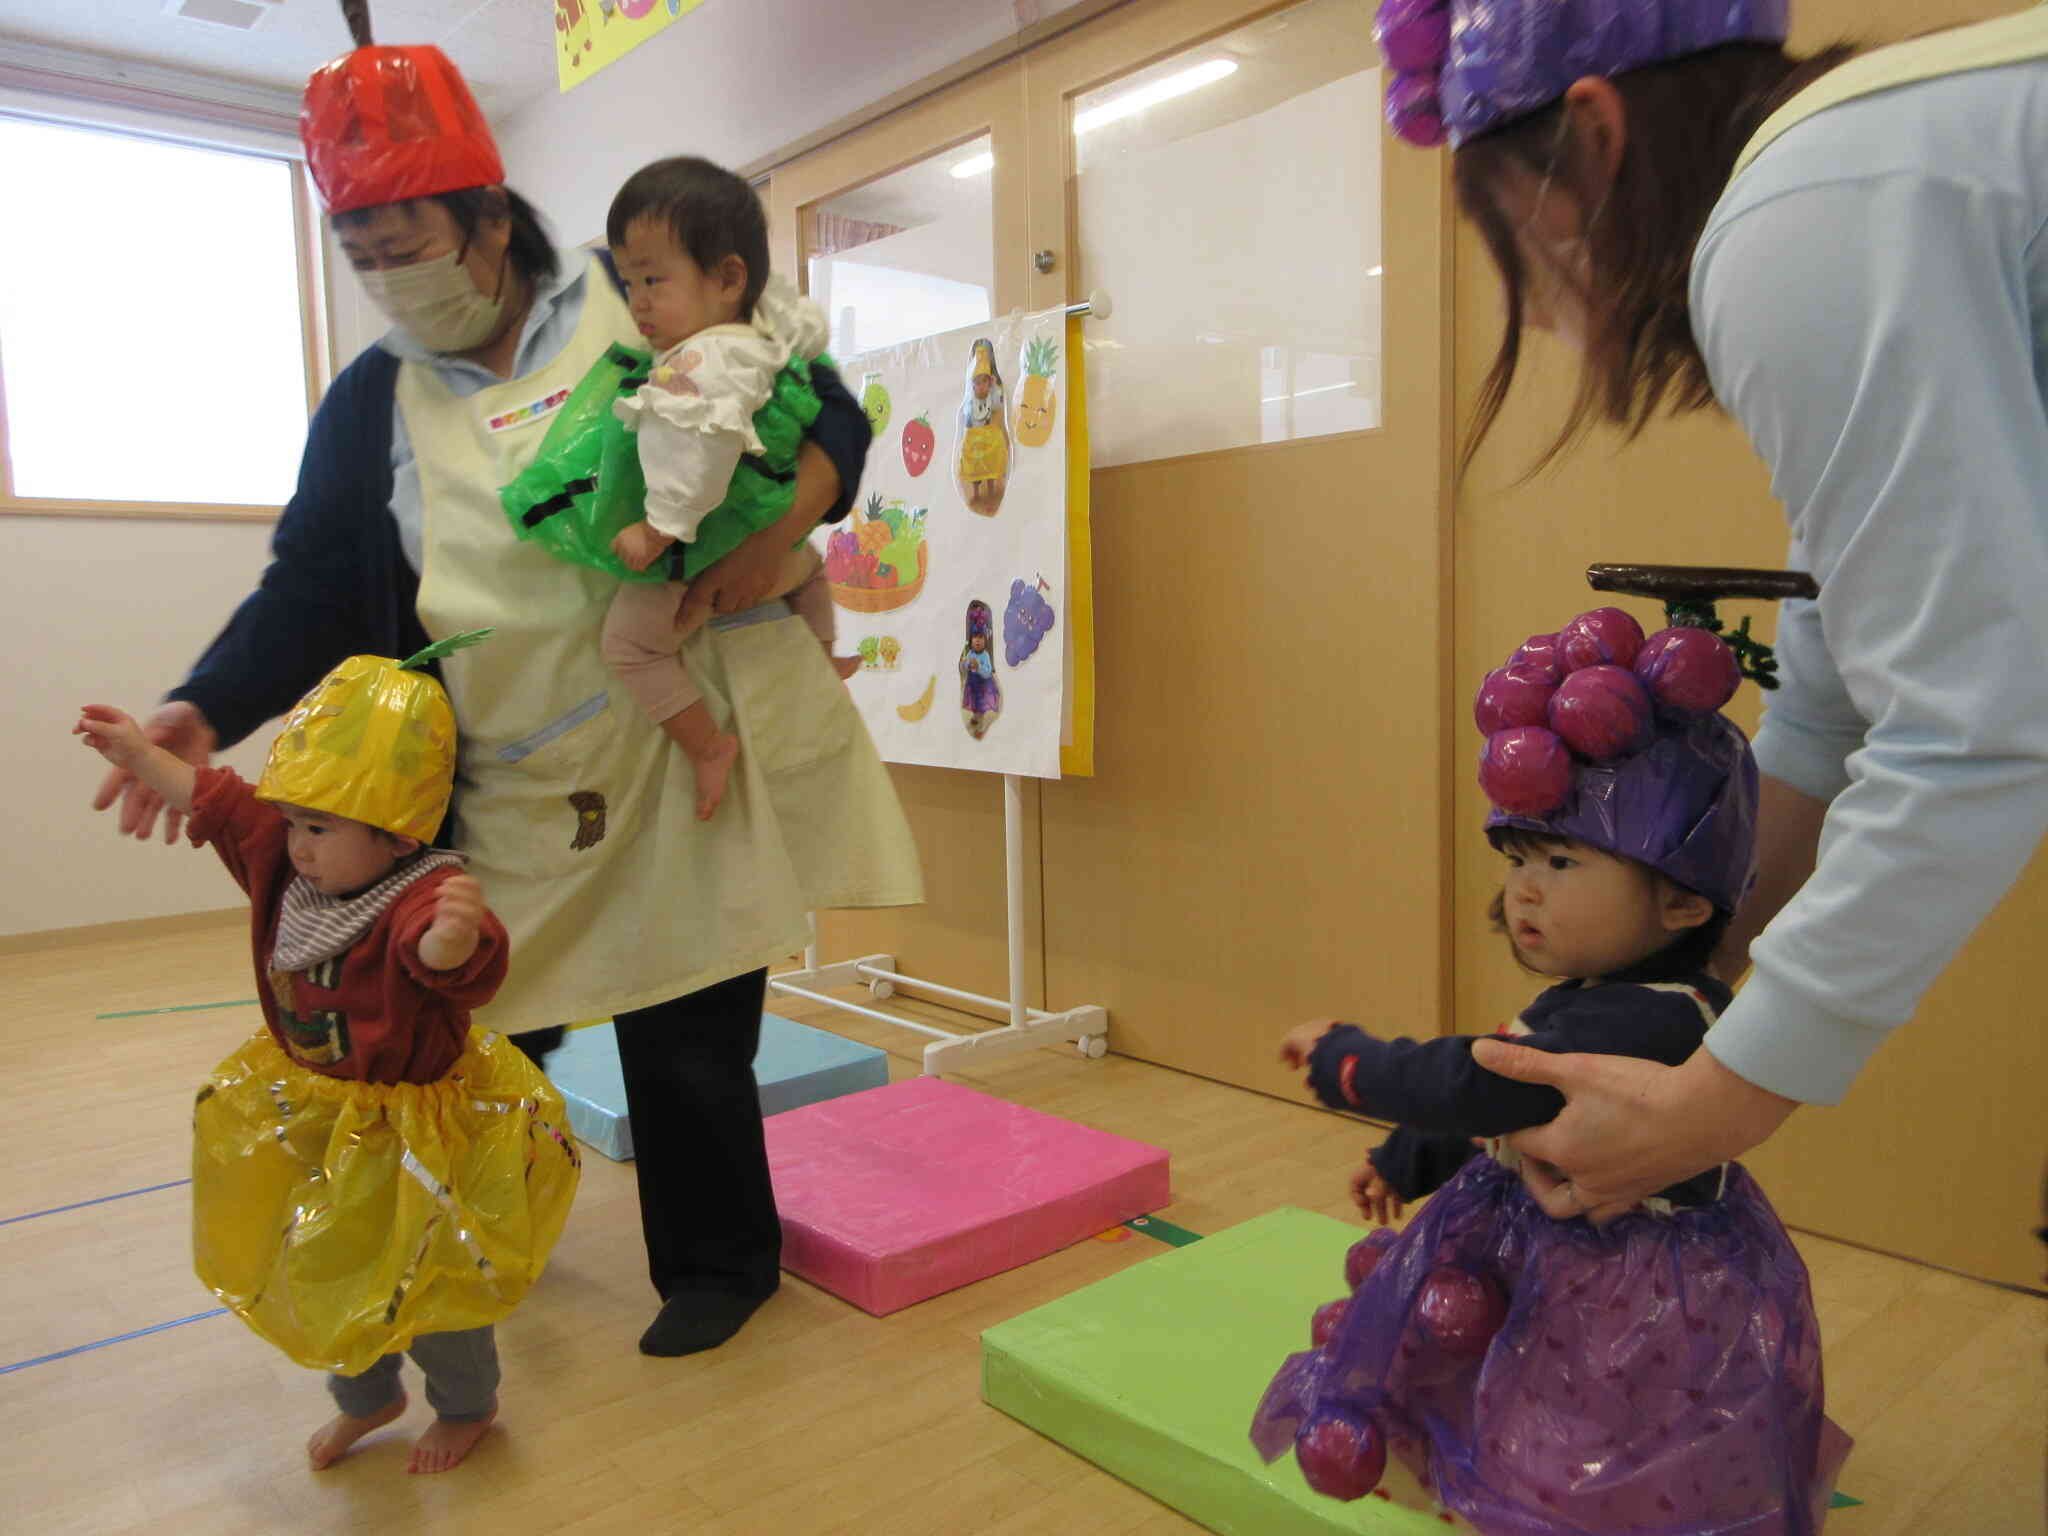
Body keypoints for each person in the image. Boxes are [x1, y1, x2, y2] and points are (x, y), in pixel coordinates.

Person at [90, 6, 923, 1358]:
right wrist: (204, 703)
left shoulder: (642, 280)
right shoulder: (372, 402)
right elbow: (308, 580)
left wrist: (777, 538)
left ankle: (718, 1267)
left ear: (486, 220)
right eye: (359, 255)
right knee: (468, 1036)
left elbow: (823, 407)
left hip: (669, 725)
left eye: (403, 245)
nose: (387, 276)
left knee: (688, 1017)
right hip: (496, 771)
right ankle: (478, 1246)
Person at [1369, 0, 2048, 1222]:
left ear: (1592, 133)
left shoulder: (1802, 210)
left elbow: (1972, 724)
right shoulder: (1885, 153)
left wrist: (1717, 1099)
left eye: (1513, 244)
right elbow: (1823, 709)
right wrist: (1676, 988)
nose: (1540, 312)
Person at [1253, 607, 1847, 1530]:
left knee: (1594, 1427)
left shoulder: (1653, 1018)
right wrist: (1410, 1158)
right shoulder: (1593, 993)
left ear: (1685, 905)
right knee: (1505, 1390)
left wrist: (1352, 1063)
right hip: (1541, 1237)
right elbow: (1503, 1105)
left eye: (1564, 861)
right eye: (1521, 858)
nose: (1525, 888)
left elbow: (1480, 1082)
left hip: (1622, 1279)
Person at [73, 636, 580, 1475]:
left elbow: (460, 962)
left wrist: (454, 942)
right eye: (294, 822)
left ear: (395, 837)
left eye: (318, 827)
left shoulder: (422, 893)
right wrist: (136, 751)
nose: (295, 843)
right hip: (317, 1111)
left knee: (432, 1275)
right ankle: (368, 1395)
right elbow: (217, 797)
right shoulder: (285, 856)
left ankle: (466, 1404)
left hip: (414, 1135)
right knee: (328, 1259)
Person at [507, 155, 855, 823]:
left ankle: (705, 747)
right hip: (768, 529)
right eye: (631, 280)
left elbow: (695, 458)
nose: (636, 300)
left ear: (727, 278)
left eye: (653, 279)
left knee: (631, 647)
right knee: (809, 570)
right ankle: (825, 654)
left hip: (700, 544)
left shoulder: (699, 364)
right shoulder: (758, 336)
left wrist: (656, 529)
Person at [959, 599, 1000, 739]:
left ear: (985, 640)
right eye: (975, 638)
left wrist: (979, 666)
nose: (977, 640)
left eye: (980, 638)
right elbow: (964, 666)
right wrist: (966, 663)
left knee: (981, 705)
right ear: (971, 641)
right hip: (972, 685)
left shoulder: (985, 655)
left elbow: (988, 672)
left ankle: (981, 726)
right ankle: (976, 716)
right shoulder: (970, 653)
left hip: (983, 686)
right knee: (975, 704)